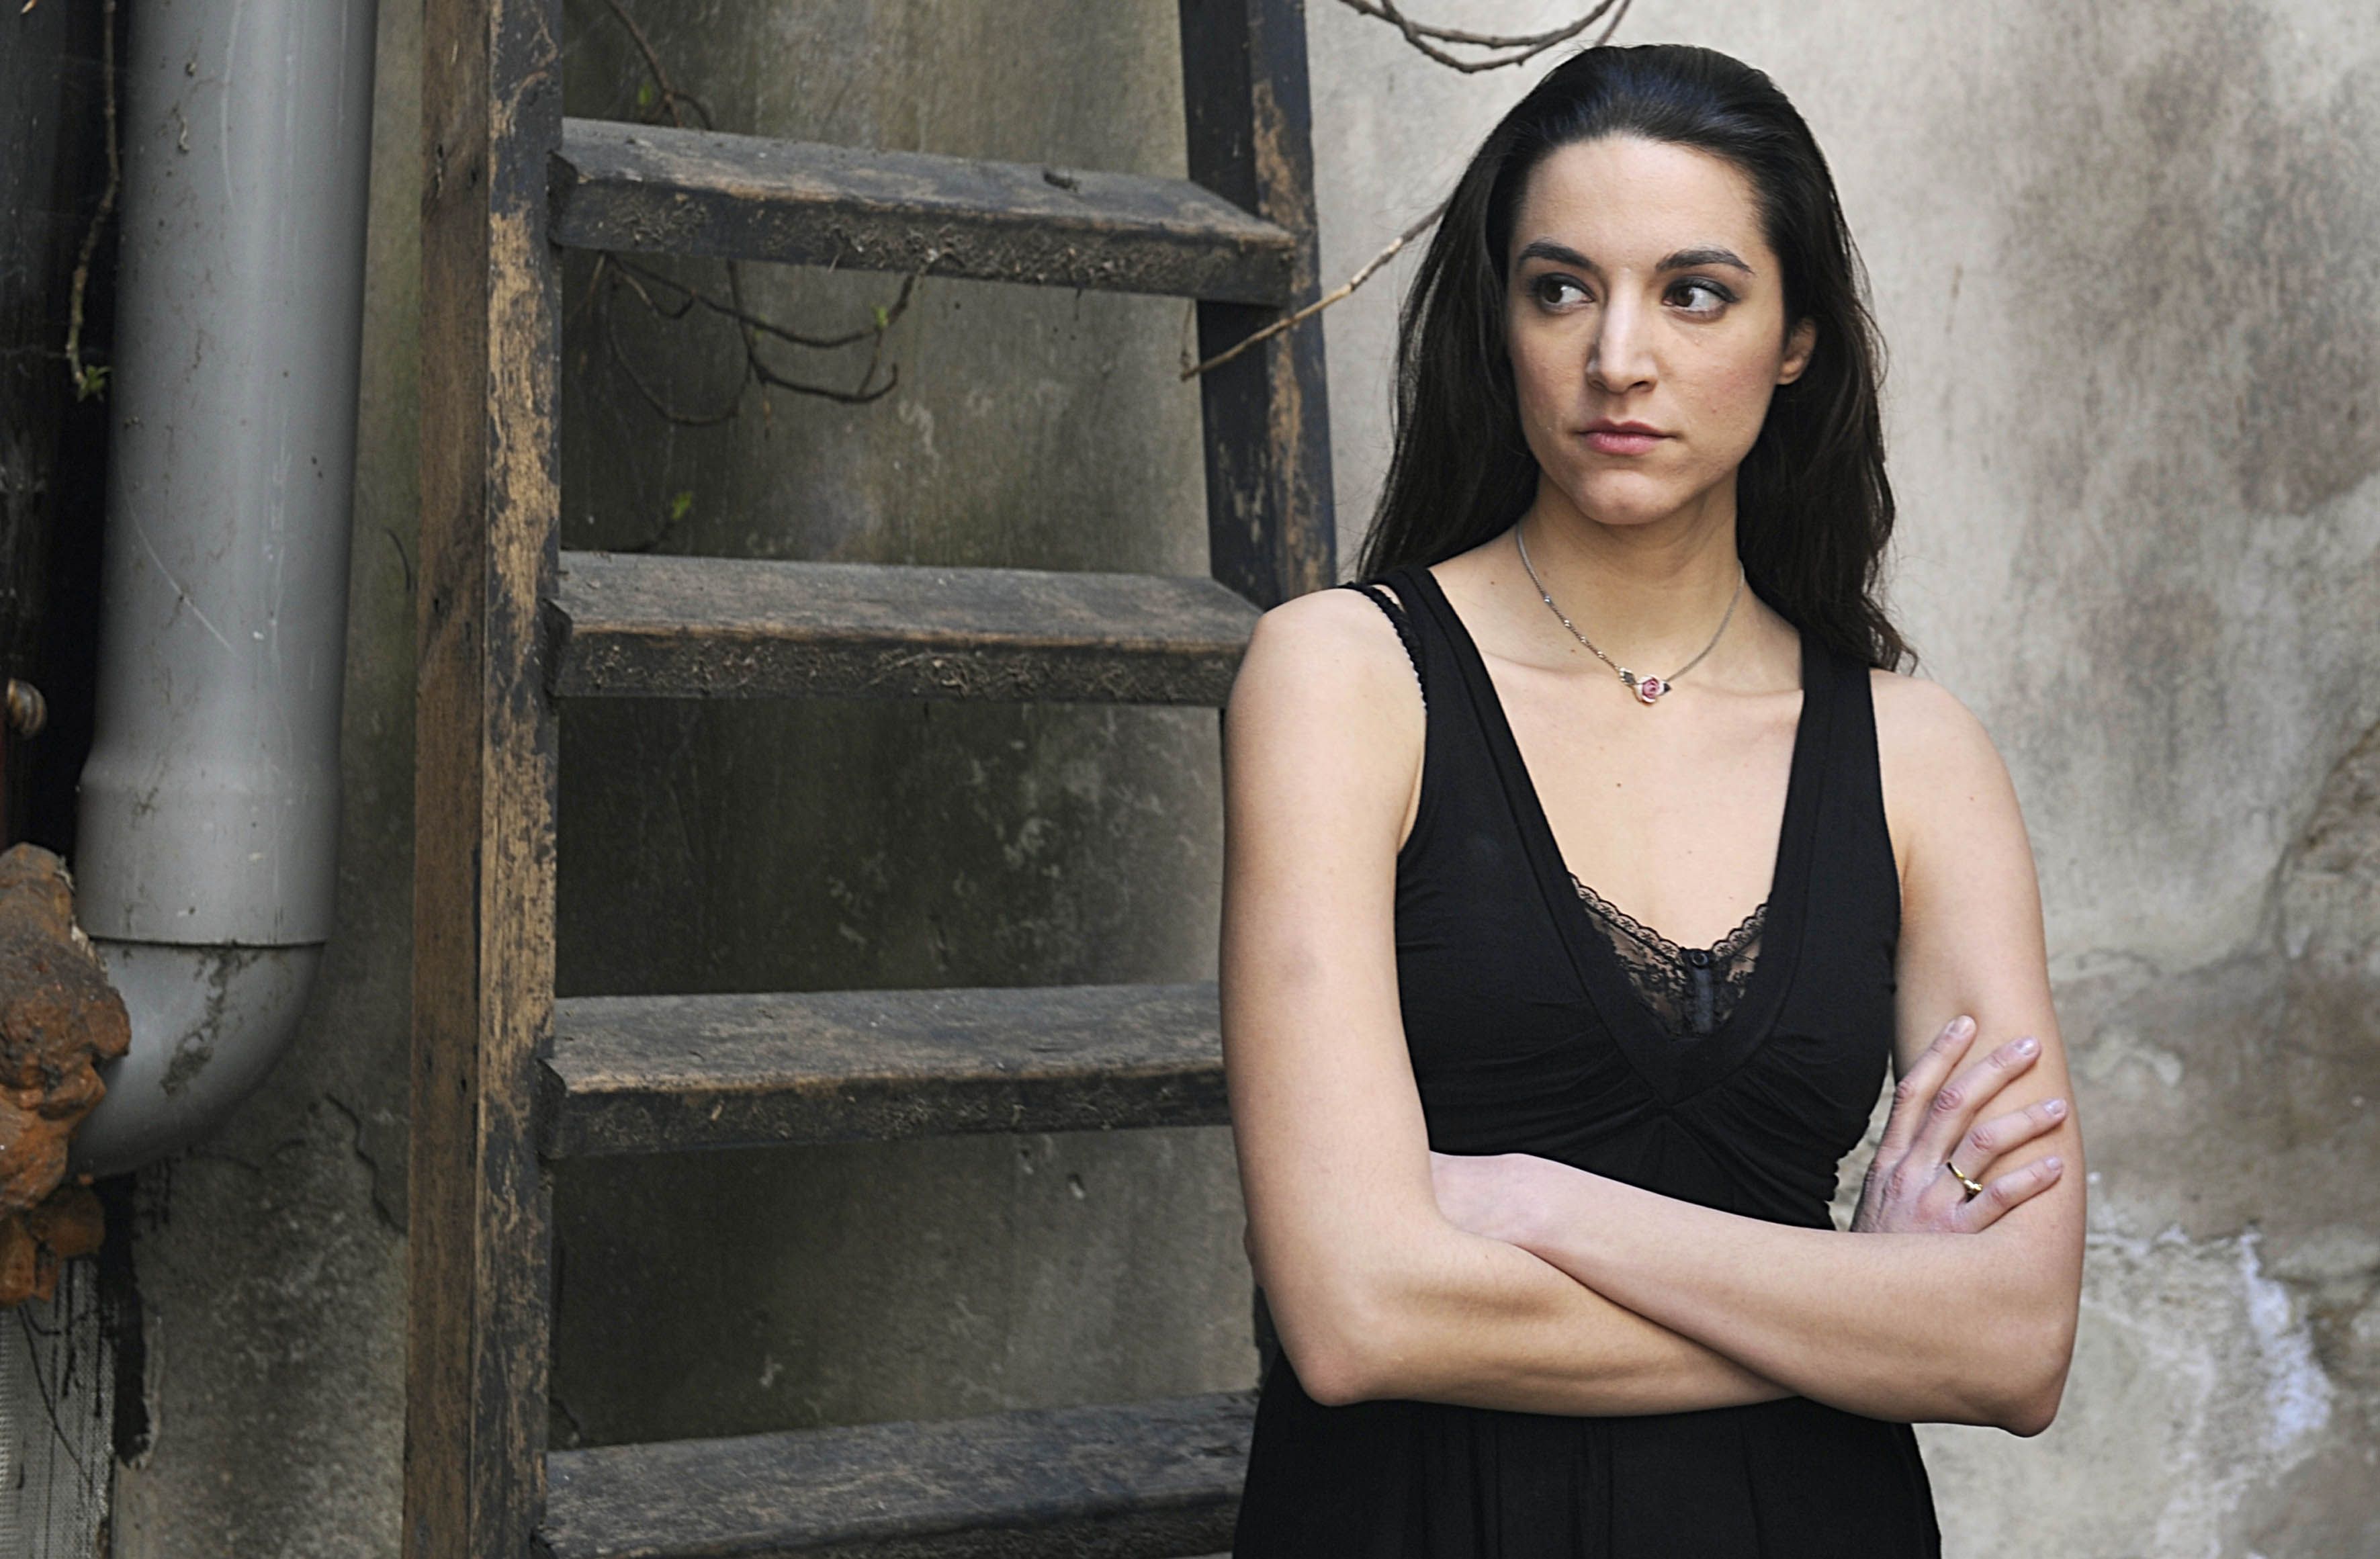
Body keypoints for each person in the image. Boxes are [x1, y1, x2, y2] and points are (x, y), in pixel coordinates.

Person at [1218, 43, 2084, 1556]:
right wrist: (1861, 1312)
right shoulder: (1343, 680)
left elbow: (2012, 1345)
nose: (1617, 356)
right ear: (1499, 323)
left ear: (1796, 337)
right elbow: (1356, 1314)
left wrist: (1537, 1206)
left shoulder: (1919, 754)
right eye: (1560, 289)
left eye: (1694, 293)